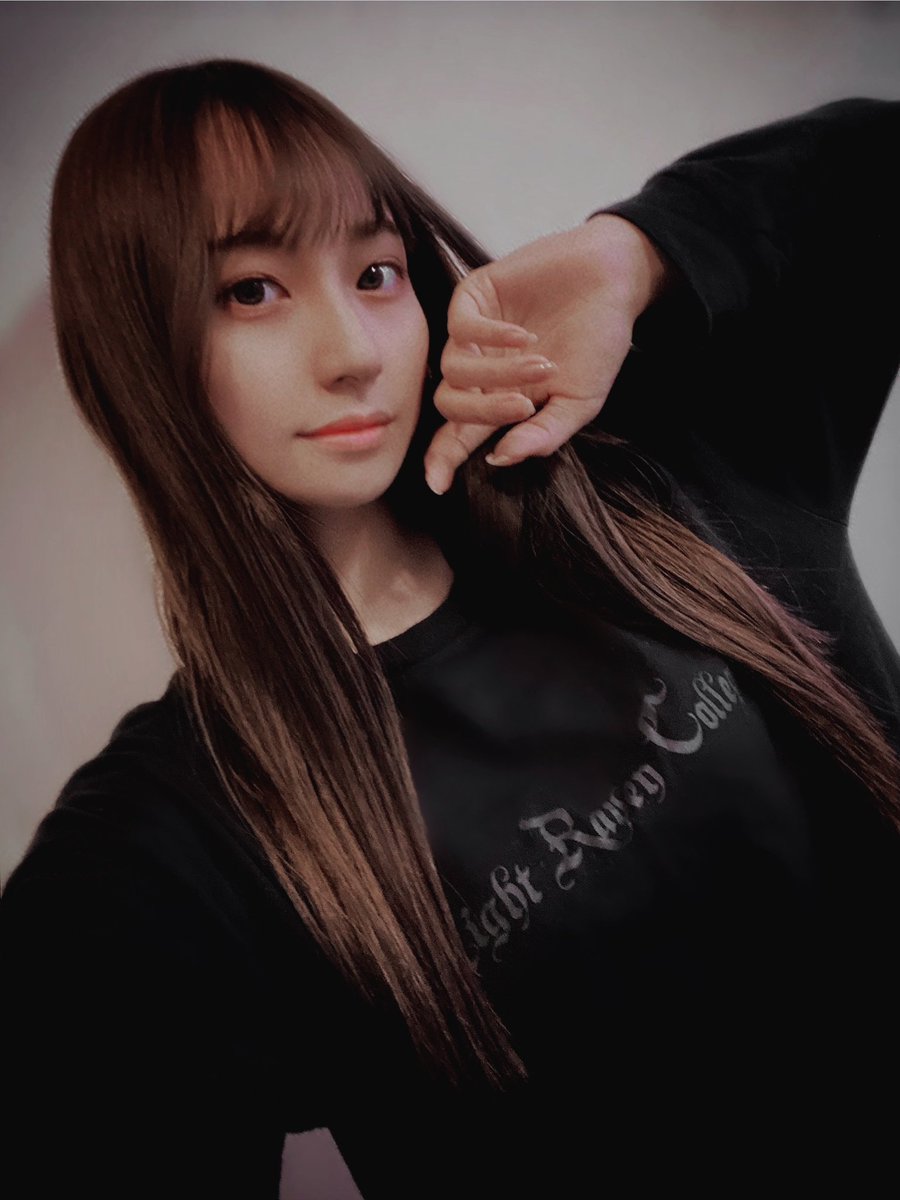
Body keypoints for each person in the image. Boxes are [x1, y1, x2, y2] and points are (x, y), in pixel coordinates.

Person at [1, 59, 898, 1198]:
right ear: (137, 354)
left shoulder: (651, 485)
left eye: (375, 272)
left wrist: (631, 255)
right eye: (251, 291)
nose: (353, 351)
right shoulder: (179, 836)